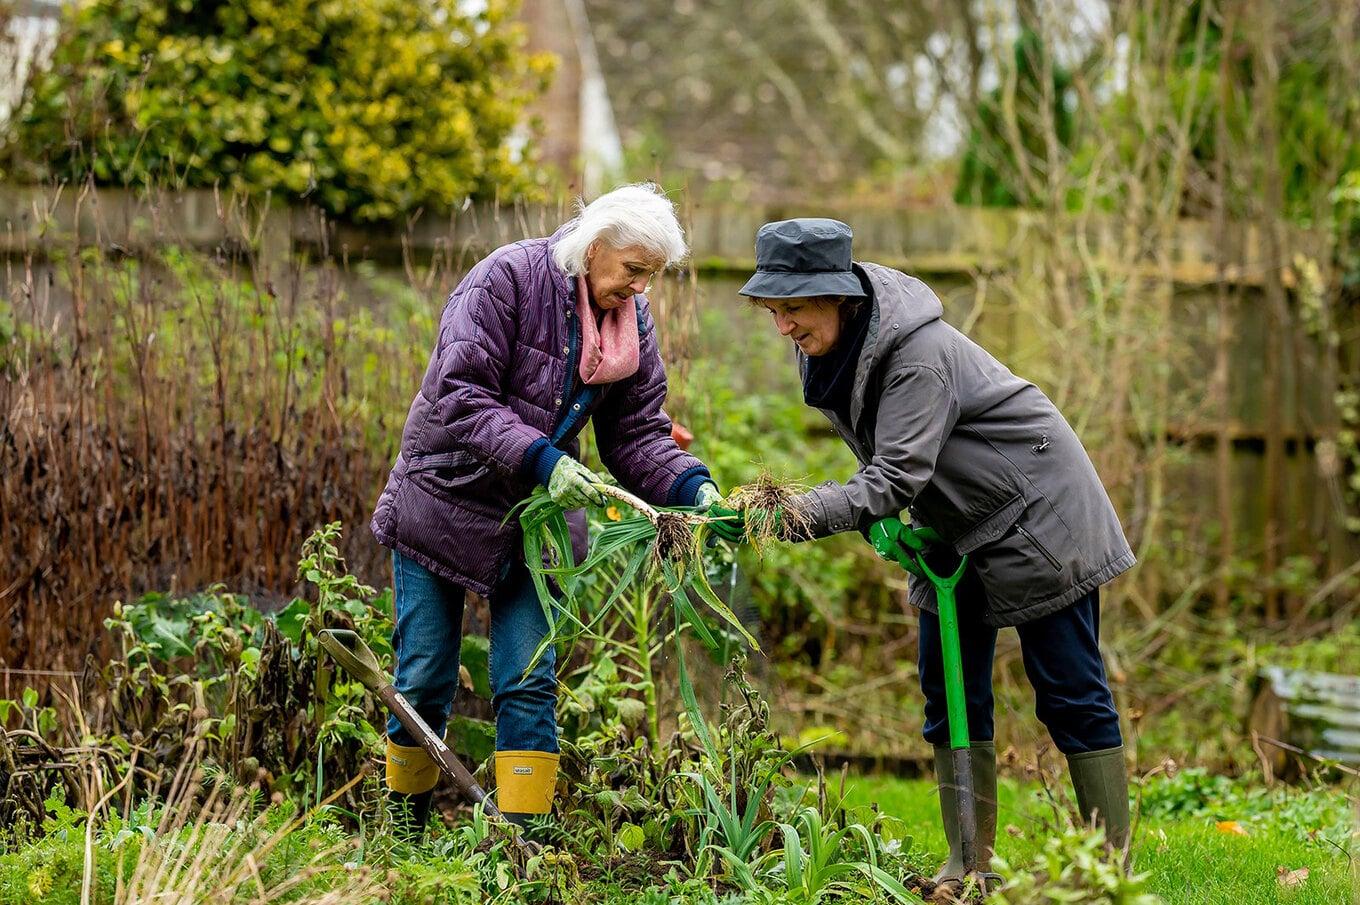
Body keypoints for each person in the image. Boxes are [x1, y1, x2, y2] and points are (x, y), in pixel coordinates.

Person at [710, 218, 1135, 887]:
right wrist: (881, 521)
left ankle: (1109, 873)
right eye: (773, 310)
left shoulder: (916, 355)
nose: (782, 325)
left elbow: (893, 476)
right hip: (955, 526)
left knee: (1068, 692)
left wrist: (791, 511)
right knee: (949, 690)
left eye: (793, 307)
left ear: (838, 296)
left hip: (1039, 514)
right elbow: (890, 464)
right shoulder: (829, 348)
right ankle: (969, 865)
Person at [370, 184, 722, 834]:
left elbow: (637, 434)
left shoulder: (627, 322)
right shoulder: (506, 279)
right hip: (444, 498)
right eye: (633, 271)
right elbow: (460, 391)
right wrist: (544, 458)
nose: (641, 289)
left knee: (527, 677)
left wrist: (693, 486)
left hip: (536, 519)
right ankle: (404, 829)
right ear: (594, 247)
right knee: (423, 674)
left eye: (651, 276)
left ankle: (520, 847)